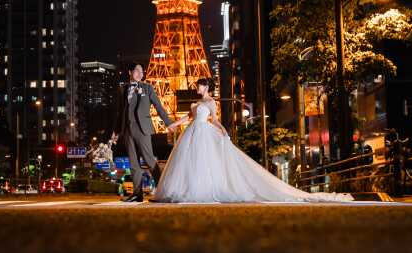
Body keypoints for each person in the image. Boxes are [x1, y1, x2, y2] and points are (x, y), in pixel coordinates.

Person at [153, 77, 353, 203]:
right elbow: (188, 118)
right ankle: (189, 189)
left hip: (204, 132)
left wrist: (223, 131)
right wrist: (172, 124)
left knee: (204, 161)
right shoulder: (196, 103)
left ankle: (202, 189)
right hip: (193, 132)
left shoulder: (211, 102)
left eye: (199, 85)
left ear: (206, 87)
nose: (197, 87)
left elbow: (214, 119)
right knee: (192, 162)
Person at [111, 62, 173, 202]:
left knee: (149, 160)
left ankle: (163, 192)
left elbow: (158, 106)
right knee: (133, 163)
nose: (140, 73)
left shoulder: (147, 88)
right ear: (130, 72)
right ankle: (137, 194)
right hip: (127, 130)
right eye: (137, 70)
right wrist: (116, 131)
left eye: (141, 71)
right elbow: (120, 112)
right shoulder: (123, 89)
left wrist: (168, 123)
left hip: (142, 128)